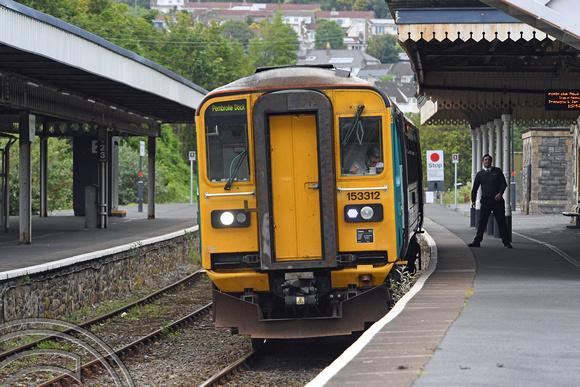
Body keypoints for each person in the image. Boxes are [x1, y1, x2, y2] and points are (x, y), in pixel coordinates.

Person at [468, 154, 512, 248]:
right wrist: (473, 200)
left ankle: (506, 242)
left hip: (497, 201)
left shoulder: (497, 171)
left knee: (501, 222)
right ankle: (477, 241)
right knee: (482, 222)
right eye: (485, 160)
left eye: (488, 160)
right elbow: (475, 188)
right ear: (482, 162)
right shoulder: (480, 174)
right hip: (486, 201)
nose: (487, 161)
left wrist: (500, 193)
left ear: (491, 161)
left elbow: (504, 183)